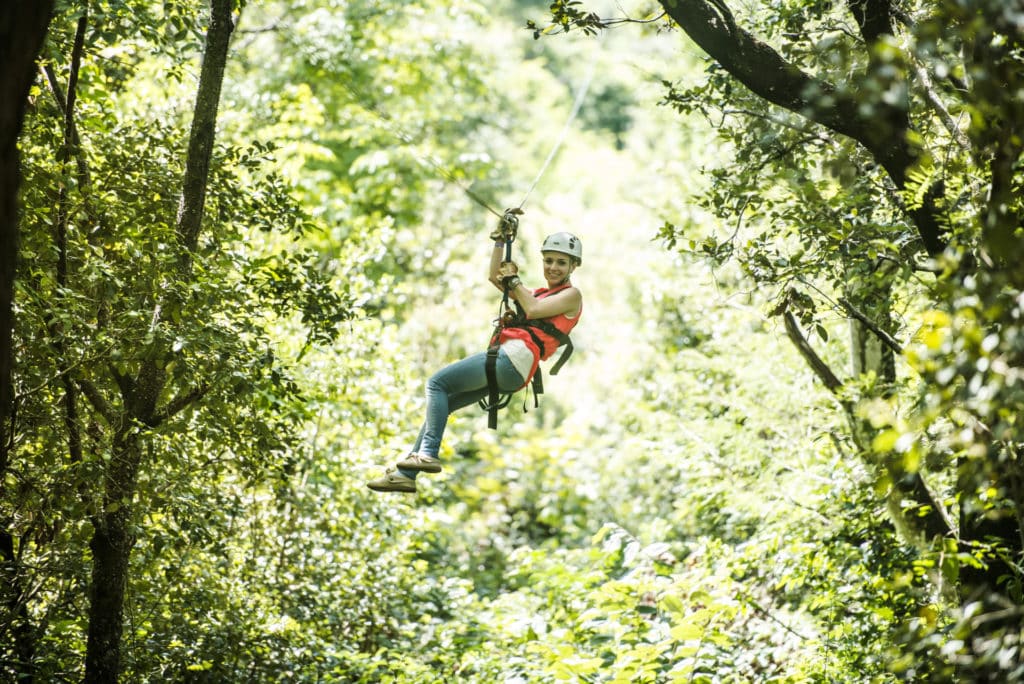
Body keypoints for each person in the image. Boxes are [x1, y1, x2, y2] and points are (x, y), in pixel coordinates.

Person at [366, 225, 583, 493]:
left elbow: (534, 309)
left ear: (574, 266)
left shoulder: (571, 296)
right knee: (446, 402)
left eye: (561, 262)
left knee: (437, 384)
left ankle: (427, 453)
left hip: (513, 358)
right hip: (514, 370)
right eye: (548, 260)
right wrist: (500, 241)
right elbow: (495, 278)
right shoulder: (538, 292)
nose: (553, 267)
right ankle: (404, 474)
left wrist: (514, 280)